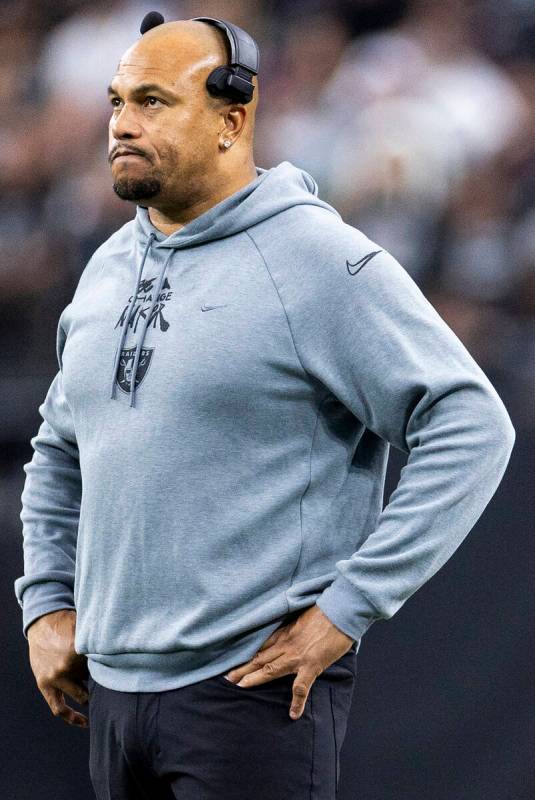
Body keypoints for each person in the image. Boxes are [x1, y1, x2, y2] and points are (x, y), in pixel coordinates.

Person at [14, 15, 516, 800]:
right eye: (116, 100)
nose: (120, 123)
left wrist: (346, 609)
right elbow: (57, 449)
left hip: (246, 694)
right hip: (110, 695)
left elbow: (470, 422)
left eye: (151, 101)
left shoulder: (313, 259)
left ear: (231, 119)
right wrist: (45, 603)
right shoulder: (109, 265)